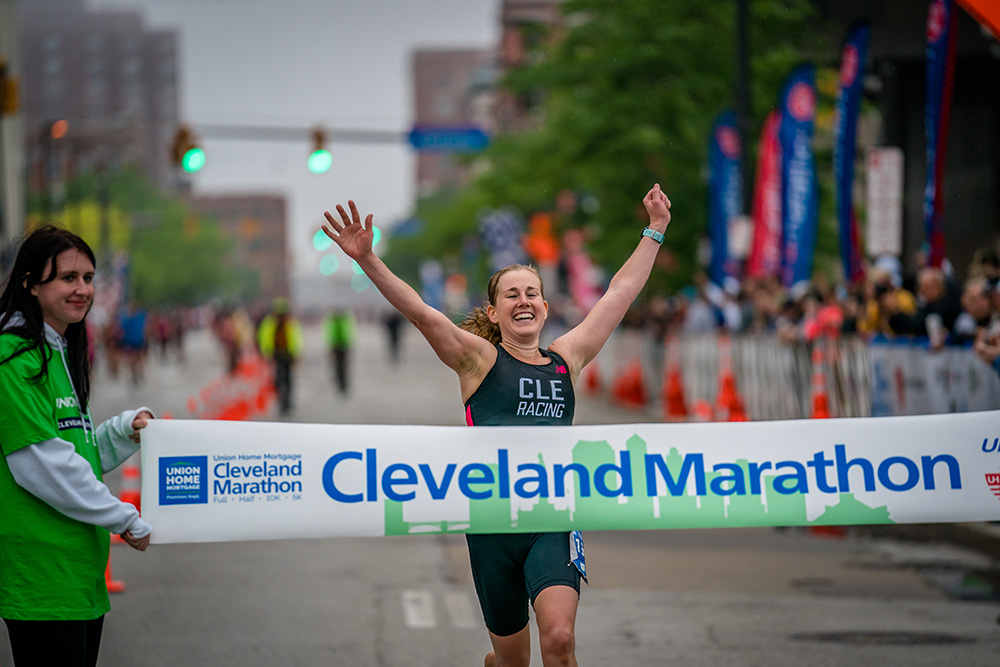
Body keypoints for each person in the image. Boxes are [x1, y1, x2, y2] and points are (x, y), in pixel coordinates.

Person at [322, 184, 671, 667]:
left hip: (552, 519)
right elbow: (422, 314)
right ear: (494, 312)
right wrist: (368, 259)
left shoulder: (566, 358)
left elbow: (620, 292)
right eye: (512, 295)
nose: (524, 301)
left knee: (560, 640)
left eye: (533, 293)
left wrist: (655, 229)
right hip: (490, 528)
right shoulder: (478, 361)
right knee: (512, 662)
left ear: (546, 308)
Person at [0, 225, 154, 667]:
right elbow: (40, 464)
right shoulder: (14, 356)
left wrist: (125, 430)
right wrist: (124, 516)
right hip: (42, 574)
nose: (82, 289)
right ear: (31, 283)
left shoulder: (58, 350)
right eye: (68, 278)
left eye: (88, 278)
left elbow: (78, 454)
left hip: (78, 573)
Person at [257, 297, 303, 416]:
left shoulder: (291, 323)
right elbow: (265, 339)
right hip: (275, 354)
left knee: (288, 379)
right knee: (277, 380)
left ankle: (287, 403)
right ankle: (281, 399)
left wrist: (296, 354)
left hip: (288, 354)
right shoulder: (269, 324)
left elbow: (296, 339)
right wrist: (267, 354)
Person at [324, 309, 356, 394]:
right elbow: (331, 333)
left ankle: (343, 384)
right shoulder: (341, 320)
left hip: (342, 345)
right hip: (338, 345)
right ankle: (341, 384)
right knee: (339, 366)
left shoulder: (335, 321)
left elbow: (347, 332)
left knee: (342, 366)